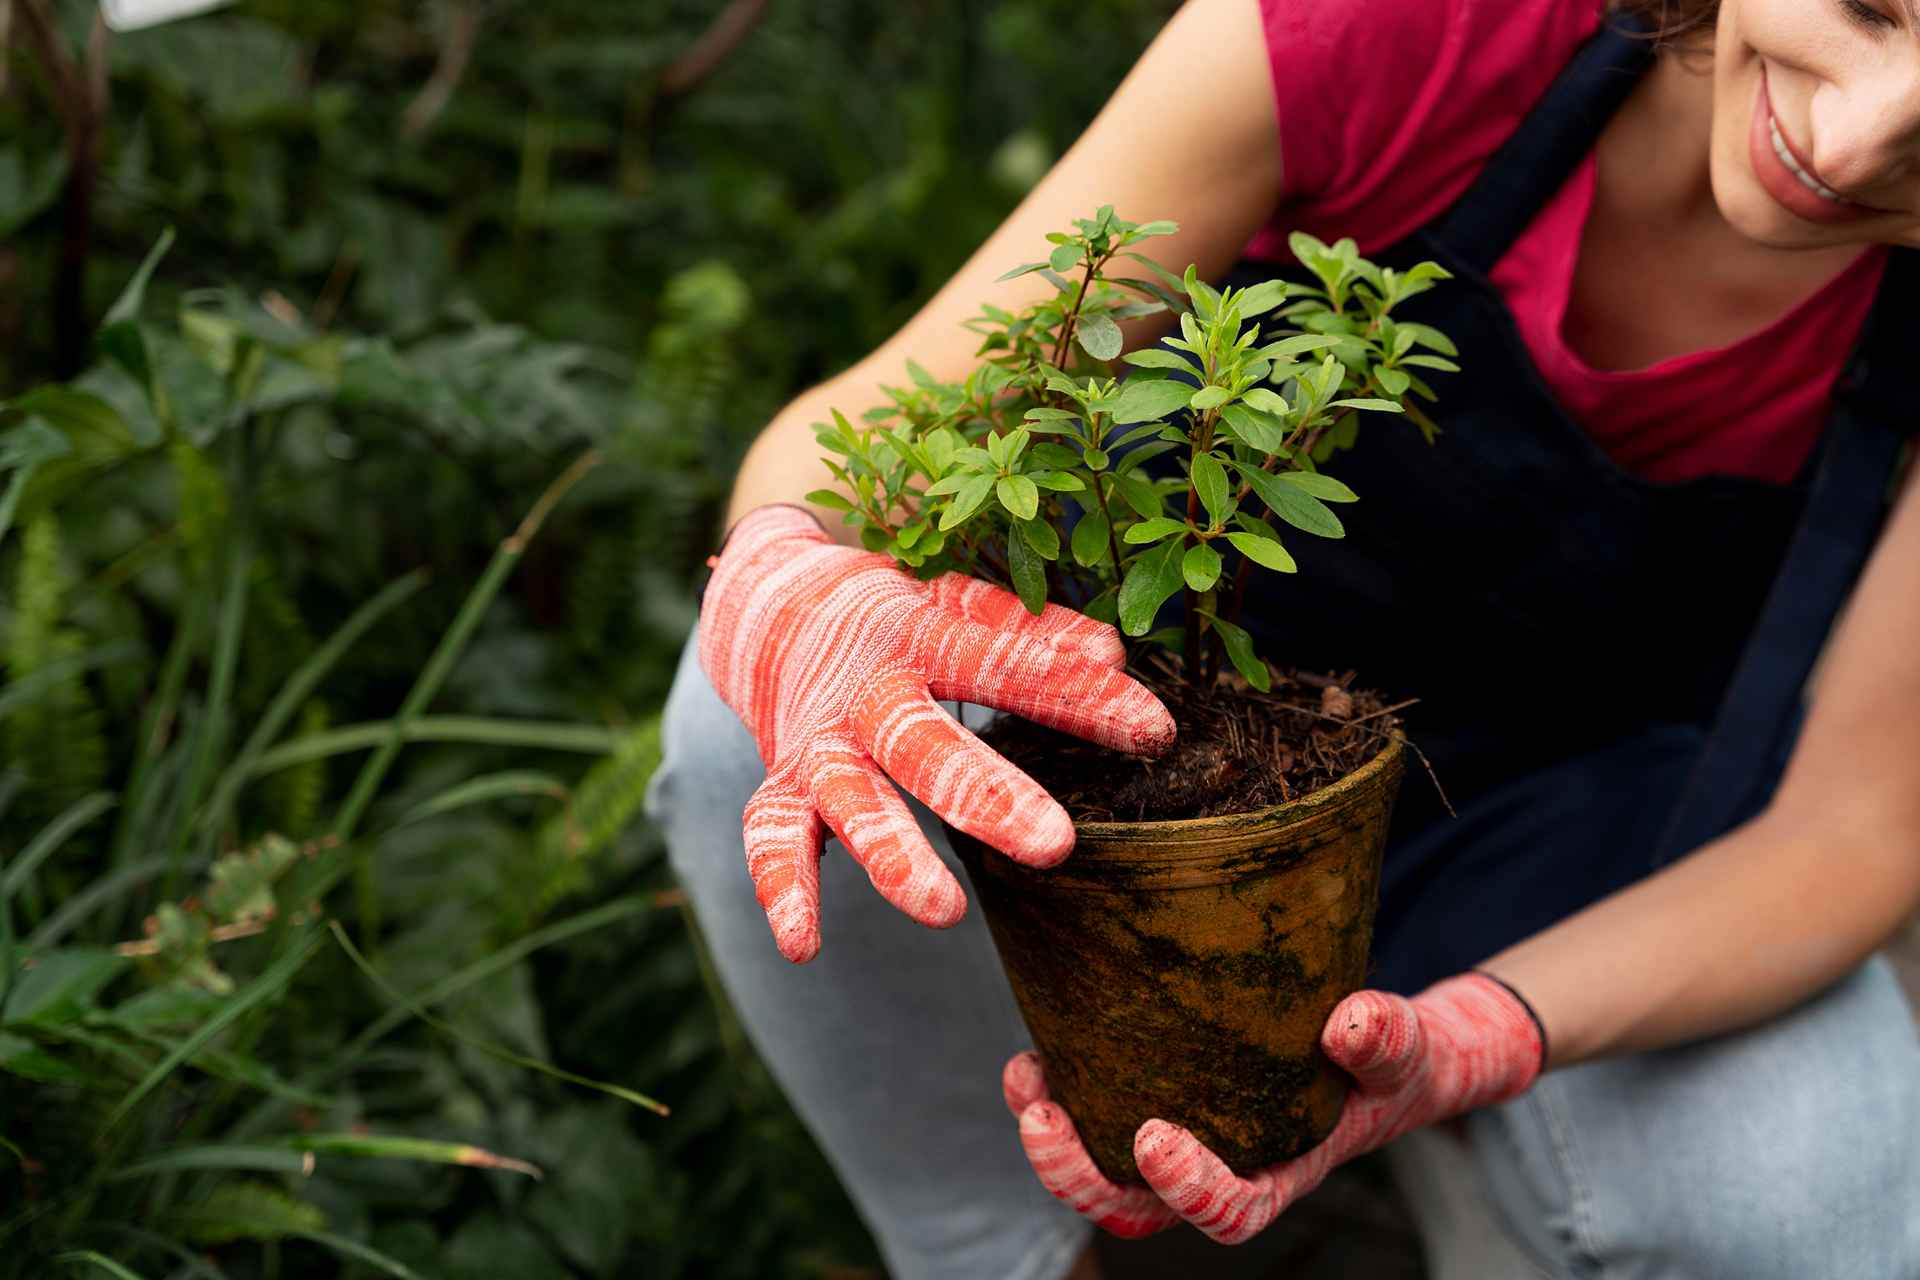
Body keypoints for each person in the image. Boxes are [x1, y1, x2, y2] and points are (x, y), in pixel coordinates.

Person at [644, 0, 1920, 1276]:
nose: (1850, 143)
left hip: (1570, 832)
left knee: (1808, 1206)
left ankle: (1474, 1172)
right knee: (758, 710)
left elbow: (1852, 833)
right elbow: (860, 449)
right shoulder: (1413, 25)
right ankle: (1009, 1257)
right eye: (1869, 9)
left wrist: (1473, 1040)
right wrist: (794, 577)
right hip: (1119, 732)